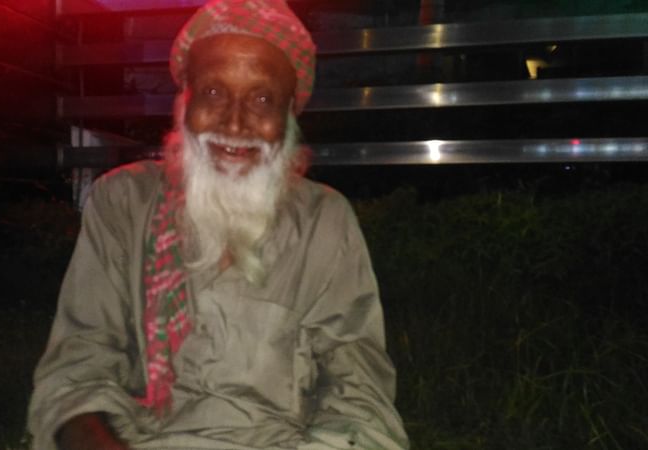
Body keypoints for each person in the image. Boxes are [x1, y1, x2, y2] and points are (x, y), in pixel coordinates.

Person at [27, 1, 409, 449]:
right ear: (183, 101)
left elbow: (359, 399)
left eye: (262, 99)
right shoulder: (123, 203)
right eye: (213, 93)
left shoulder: (324, 221)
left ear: (288, 117)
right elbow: (76, 370)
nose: (234, 121)